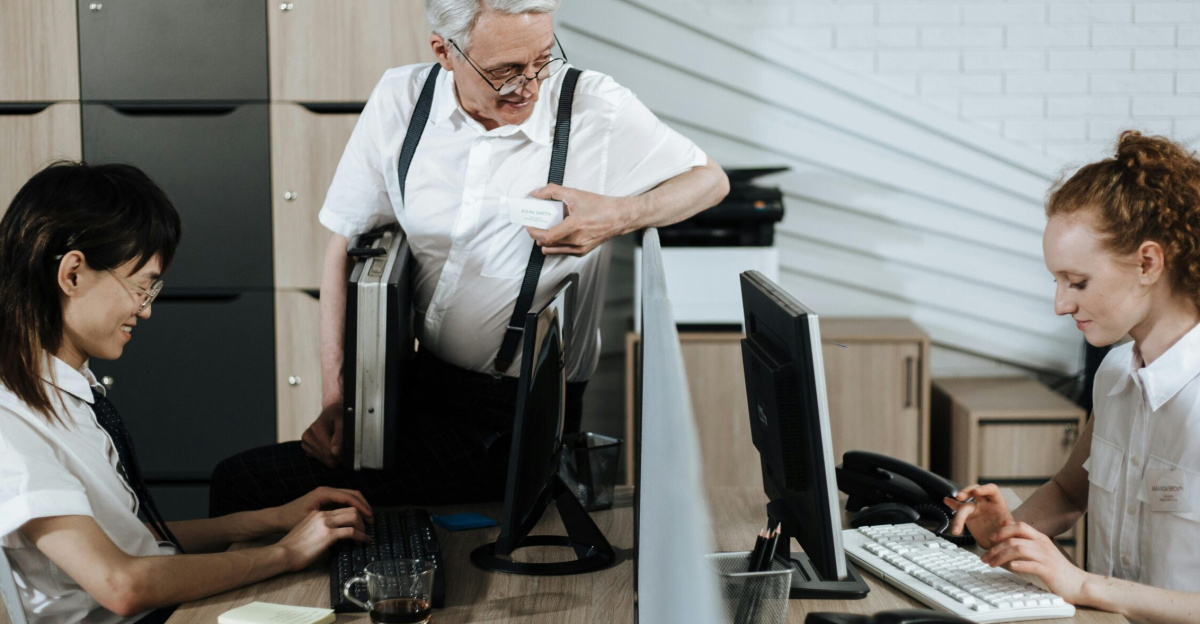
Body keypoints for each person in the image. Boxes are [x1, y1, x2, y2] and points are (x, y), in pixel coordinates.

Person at [208, 0, 729, 514]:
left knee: (245, 484)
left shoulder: (597, 108)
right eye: (505, 71)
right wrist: (336, 398)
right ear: (444, 51)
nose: (529, 85)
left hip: (519, 416)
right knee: (280, 498)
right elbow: (344, 245)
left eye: (543, 59)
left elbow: (710, 181)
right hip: (416, 383)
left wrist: (619, 215)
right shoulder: (401, 99)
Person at [0, 162, 372, 624]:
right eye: (141, 287)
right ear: (73, 274)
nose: (145, 310)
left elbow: (132, 539)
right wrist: (286, 553)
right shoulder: (10, 419)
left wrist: (272, 520)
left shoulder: (65, 389)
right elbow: (122, 584)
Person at [946, 131, 1200, 624]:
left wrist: (1083, 584)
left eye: (1077, 282)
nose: (1061, 305)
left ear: (1148, 263)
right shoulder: (1114, 376)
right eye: (1057, 282)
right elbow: (1068, 492)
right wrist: (1009, 531)